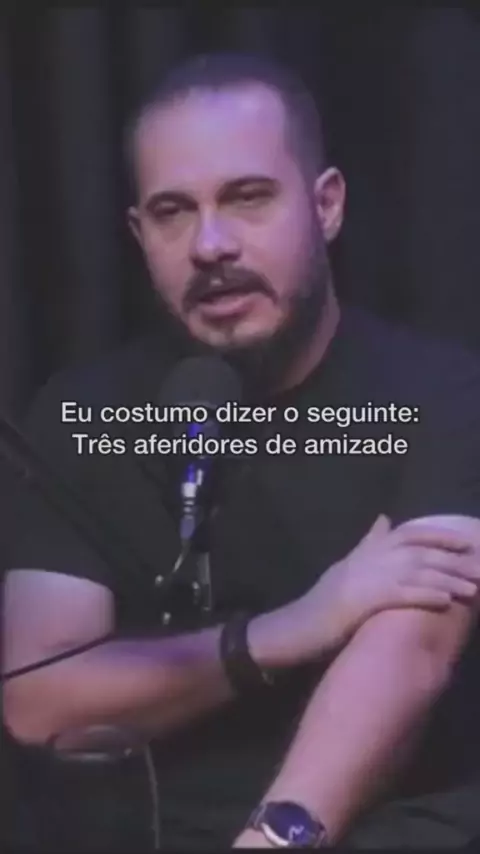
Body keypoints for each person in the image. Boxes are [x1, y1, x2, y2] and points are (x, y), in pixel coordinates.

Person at [4, 51, 480, 850]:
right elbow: (38, 704)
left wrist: (273, 840)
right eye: (173, 212)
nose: (211, 244)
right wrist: (288, 630)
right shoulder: (82, 413)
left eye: (248, 198)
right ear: (139, 234)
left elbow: (410, 653)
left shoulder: (444, 393)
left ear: (327, 206)